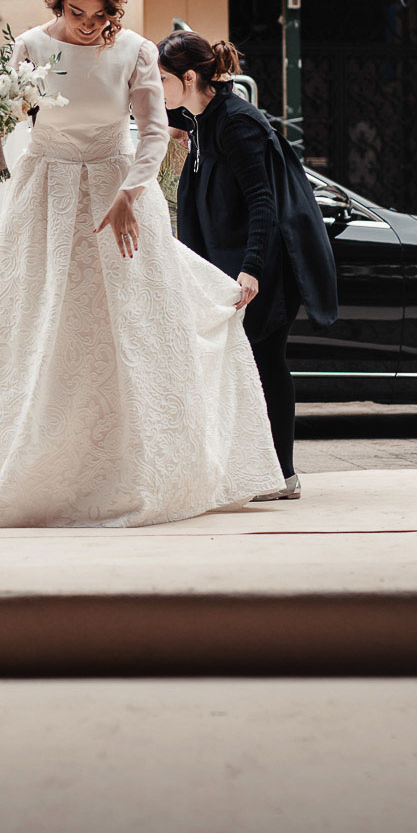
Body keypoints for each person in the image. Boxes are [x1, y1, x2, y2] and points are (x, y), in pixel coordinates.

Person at [0, 0, 285, 527]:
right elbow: (14, 120)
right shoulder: (29, 46)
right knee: (46, 322)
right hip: (45, 192)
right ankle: (37, 460)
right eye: (77, 13)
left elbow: (153, 132)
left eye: (100, 15)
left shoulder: (136, 51)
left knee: (128, 326)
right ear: (58, 0)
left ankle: (135, 465)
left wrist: (129, 192)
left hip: (119, 188)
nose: (89, 25)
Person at [157, 31, 339, 500]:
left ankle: (283, 476)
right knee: (246, 367)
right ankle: (257, 470)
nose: (158, 89)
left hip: (261, 269)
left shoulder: (236, 123)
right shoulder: (203, 117)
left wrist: (253, 268)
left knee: (266, 363)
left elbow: (264, 201)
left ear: (189, 78)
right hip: (228, 263)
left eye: (162, 79)